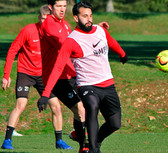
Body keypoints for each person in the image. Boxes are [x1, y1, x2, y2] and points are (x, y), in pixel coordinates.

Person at [38, 1, 128, 153]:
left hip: (108, 84)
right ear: (76, 18)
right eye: (85, 16)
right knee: (91, 108)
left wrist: (122, 54)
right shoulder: (71, 41)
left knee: (115, 123)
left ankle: (95, 141)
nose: (89, 19)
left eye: (90, 16)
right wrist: (45, 94)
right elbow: (58, 67)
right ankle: (92, 149)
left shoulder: (100, 30)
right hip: (88, 85)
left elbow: (111, 42)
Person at [0, 5, 72, 150]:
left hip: (45, 75)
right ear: (39, 18)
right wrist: (6, 75)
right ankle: (7, 140)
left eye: (49, 20)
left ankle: (59, 141)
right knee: (21, 105)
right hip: (26, 73)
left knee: (56, 107)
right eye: (43, 19)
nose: (46, 23)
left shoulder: (54, 32)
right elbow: (13, 50)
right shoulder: (28, 30)